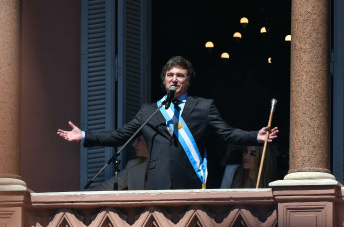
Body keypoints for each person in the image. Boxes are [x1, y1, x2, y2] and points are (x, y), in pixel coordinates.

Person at [57, 56, 278, 190]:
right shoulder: (150, 111)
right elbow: (121, 135)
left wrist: (254, 136)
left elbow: (227, 133)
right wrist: (84, 135)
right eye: (170, 75)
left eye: (180, 75)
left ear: (188, 81)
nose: (174, 79)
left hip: (190, 182)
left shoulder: (203, 106)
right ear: (164, 81)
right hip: (157, 183)